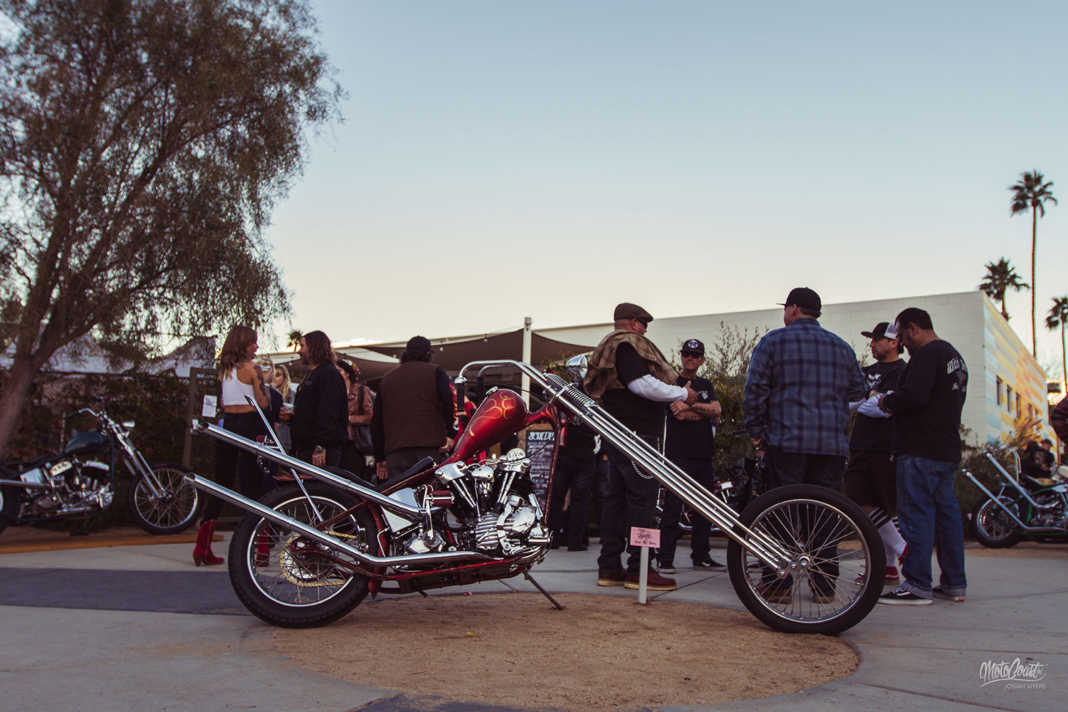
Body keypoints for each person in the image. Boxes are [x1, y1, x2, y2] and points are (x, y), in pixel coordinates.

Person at [743, 287, 866, 602]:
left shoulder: (773, 342)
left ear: (794, 309)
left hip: (786, 441)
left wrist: (756, 431)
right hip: (831, 445)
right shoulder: (841, 347)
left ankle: (779, 584)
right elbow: (858, 391)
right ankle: (825, 586)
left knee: (781, 514)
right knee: (825, 515)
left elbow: (755, 388)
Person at [584, 302, 697, 592]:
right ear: (634, 323)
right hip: (638, 437)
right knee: (643, 504)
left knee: (615, 503)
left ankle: (609, 567)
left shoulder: (608, 346)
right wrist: (682, 393)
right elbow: (641, 384)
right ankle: (640, 569)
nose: (645, 330)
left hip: (619, 434)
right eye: (644, 324)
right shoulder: (627, 345)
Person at [875, 308, 968, 605]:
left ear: (913, 329)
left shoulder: (927, 356)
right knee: (947, 518)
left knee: (916, 517)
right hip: (946, 448)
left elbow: (914, 396)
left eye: (901, 336)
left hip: (920, 449)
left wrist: (887, 401)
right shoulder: (954, 357)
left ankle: (916, 584)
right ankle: (954, 583)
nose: (901, 344)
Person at [192, 325, 272, 566]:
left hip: (228, 424)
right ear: (244, 344)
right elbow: (264, 403)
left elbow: (225, 399)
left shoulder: (224, 369)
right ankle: (261, 549)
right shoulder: (252, 369)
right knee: (254, 486)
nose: (257, 347)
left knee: (221, 483)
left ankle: (201, 547)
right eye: (253, 343)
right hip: (250, 423)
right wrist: (265, 383)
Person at [844, 322, 909, 584]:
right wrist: (869, 399)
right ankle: (891, 562)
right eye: (871, 339)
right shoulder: (865, 371)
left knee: (880, 504)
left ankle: (899, 555)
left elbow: (883, 407)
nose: (872, 344)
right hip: (860, 443)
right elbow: (850, 401)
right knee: (861, 499)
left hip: (886, 445)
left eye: (878, 339)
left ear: (895, 342)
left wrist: (869, 400)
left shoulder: (903, 371)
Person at [658, 338, 723, 572]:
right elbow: (678, 413)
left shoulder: (706, 383)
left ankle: (701, 555)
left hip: (703, 454)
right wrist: (700, 409)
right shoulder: (672, 383)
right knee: (673, 507)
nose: (690, 358)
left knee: (704, 508)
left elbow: (716, 412)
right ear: (681, 356)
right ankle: (665, 558)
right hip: (678, 455)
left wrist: (692, 405)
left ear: (702, 359)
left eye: (695, 355)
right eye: (687, 354)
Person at [372, 336, 456, 486]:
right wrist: (450, 434)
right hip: (429, 448)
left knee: (401, 498)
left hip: (395, 451)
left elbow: (377, 421)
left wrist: (380, 458)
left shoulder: (386, 379)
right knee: (429, 496)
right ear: (428, 354)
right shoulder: (435, 372)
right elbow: (448, 404)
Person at [290, 330, 348, 468]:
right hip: (306, 447)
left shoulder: (328, 374)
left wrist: (321, 445)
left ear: (314, 347)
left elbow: (330, 412)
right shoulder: (312, 375)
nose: (299, 351)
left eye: (303, 346)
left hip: (320, 450)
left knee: (319, 488)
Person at [547, 408, 597, 551]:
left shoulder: (562, 409)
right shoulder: (588, 408)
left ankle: (554, 537)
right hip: (582, 454)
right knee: (578, 500)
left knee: (558, 498)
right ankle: (574, 540)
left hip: (567, 454)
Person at [336, 359, 373, 479]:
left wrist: (350, 419)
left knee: (354, 476)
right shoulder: (333, 391)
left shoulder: (361, 390)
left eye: (339, 371)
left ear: (347, 373)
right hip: (338, 442)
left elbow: (369, 416)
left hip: (356, 443)